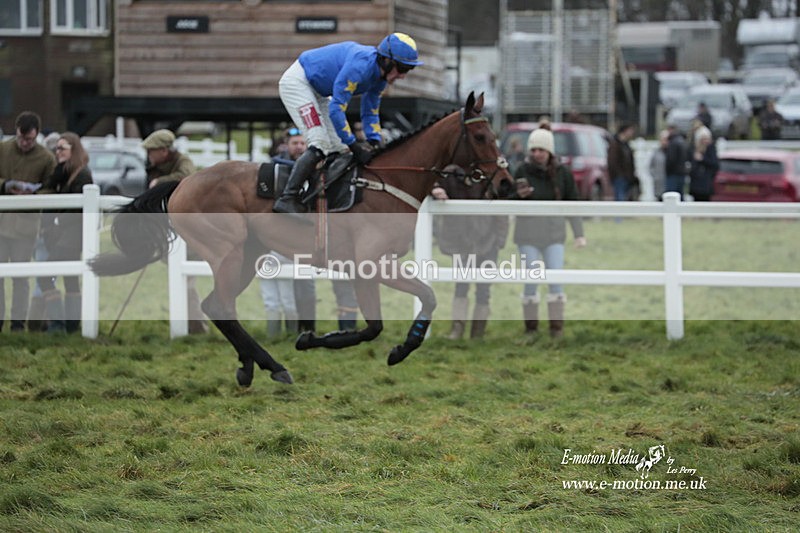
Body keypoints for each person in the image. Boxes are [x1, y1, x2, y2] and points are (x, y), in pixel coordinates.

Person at [272, 32, 422, 215]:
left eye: (408, 70)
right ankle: (288, 197)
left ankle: (319, 195)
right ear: (387, 61)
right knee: (320, 142)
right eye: (402, 69)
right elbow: (337, 108)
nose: (403, 76)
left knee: (339, 149)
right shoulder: (360, 66)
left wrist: (374, 141)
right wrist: (354, 145)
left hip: (318, 91)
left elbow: (370, 111)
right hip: (299, 83)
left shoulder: (380, 79)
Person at [513, 129, 586, 338]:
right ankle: (531, 329)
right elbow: (506, 197)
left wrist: (578, 234)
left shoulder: (563, 173)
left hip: (554, 234)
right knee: (531, 278)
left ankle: (556, 329)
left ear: (549, 151)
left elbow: (573, 203)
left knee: (555, 279)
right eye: (533, 149)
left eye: (541, 150)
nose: (537, 154)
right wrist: (518, 195)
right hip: (527, 235)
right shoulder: (521, 171)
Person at [141, 129, 207, 334]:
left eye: (152, 151)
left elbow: (186, 177)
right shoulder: (155, 167)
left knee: (186, 280)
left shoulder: (182, 161)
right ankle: (192, 324)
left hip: (190, 231)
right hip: (168, 230)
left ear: (164, 151)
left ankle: (195, 325)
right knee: (181, 280)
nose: (149, 155)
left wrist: (159, 183)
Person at [431, 164, 508, 339]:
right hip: (462, 242)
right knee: (461, 285)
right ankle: (457, 330)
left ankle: (477, 333)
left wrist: (499, 241)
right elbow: (429, 180)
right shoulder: (451, 172)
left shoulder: (490, 172)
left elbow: (502, 206)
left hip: (488, 241)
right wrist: (435, 189)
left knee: (483, 289)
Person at [0, 111, 57, 332]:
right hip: (1, 222)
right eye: (22, 138)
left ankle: (17, 322)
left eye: (30, 140)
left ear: (37, 135)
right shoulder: (3, 149)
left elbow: (52, 187)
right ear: (16, 132)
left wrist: (35, 196)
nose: (25, 143)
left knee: (20, 277)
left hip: (25, 226)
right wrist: (6, 185)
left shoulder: (46, 158)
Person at [35, 132, 93, 333]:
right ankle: (70, 325)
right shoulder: (64, 173)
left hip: (71, 237)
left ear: (73, 150)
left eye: (62, 148)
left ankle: (58, 324)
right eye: (56, 148)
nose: (57, 152)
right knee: (70, 279)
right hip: (64, 236)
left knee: (44, 276)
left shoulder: (82, 174)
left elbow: (77, 211)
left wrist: (58, 221)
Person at [259, 251, 298, 337]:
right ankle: (273, 335)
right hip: (265, 263)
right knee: (270, 302)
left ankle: (292, 333)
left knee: (287, 301)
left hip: (284, 262)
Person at [607, 122, 638, 202]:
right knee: (619, 198)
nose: (632, 133)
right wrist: (619, 174)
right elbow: (612, 161)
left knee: (623, 197)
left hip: (626, 177)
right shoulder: (615, 144)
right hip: (619, 177)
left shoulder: (626, 145)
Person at [688, 126, 719, 202]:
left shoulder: (711, 149)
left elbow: (714, 164)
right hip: (696, 184)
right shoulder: (695, 149)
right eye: (703, 139)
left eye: (707, 138)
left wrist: (702, 159)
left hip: (706, 184)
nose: (705, 141)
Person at [664, 124, 688, 199]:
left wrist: (667, 170)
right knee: (680, 196)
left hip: (673, 174)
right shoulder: (682, 141)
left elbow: (671, 159)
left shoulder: (673, 143)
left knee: (671, 197)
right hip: (681, 173)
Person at [648, 129, 669, 201]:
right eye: (663, 139)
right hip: (658, 183)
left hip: (669, 182)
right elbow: (651, 166)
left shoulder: (672, 152)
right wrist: (655, 176)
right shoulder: (656, 152)